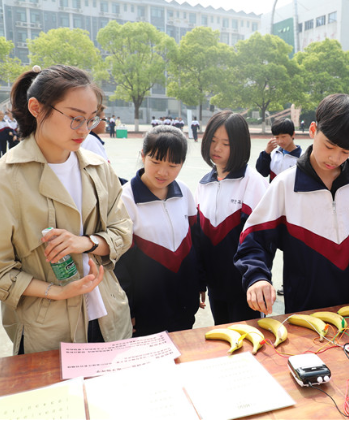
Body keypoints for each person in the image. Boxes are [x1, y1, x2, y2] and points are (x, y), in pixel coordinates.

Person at [0, 65, 133, 355]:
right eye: (74, 118)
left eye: (91, 119)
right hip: (49, 329)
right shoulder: (2, 181)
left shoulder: (99, 169)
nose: (84, 129)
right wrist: (57, 291)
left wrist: (87, 242)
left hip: (109, 314)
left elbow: (123, 229)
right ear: (36, 107)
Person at [234, 93, 349, 315]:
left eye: (345, 151)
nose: (335, 158)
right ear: (312, 131)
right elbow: (253, 242)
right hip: (305, 310)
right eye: (329, 146)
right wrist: (257, 277)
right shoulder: (285, 184)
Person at [114, 125, 205, 337]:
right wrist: (128, 309)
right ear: (143, 156)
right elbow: (120, 263)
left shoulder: (184, 191)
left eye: (173, 165)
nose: (163, 172)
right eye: (155, 162)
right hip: (146, 310)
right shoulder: (125, 199)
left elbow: (196, 241)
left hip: (184, 303)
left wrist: (200, 282)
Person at [195, 111, 269, 325]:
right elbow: (199, 238)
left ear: (239, 146)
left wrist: (256, 279)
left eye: (225, 143)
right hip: (215, 289)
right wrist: (201, 281)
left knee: (249, 345)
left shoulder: (253, 182)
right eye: (213, 141)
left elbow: (262, 241)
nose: (217, 148)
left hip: (247, 289)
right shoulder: (203, 185)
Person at [255, 118, 303, 184]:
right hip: (274, 193)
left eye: (283, 137)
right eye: (277, 137)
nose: (280, 141)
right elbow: (262, 172)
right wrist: (266, 153)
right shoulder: (273, 153)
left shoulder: (302, 158)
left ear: (293, 134)